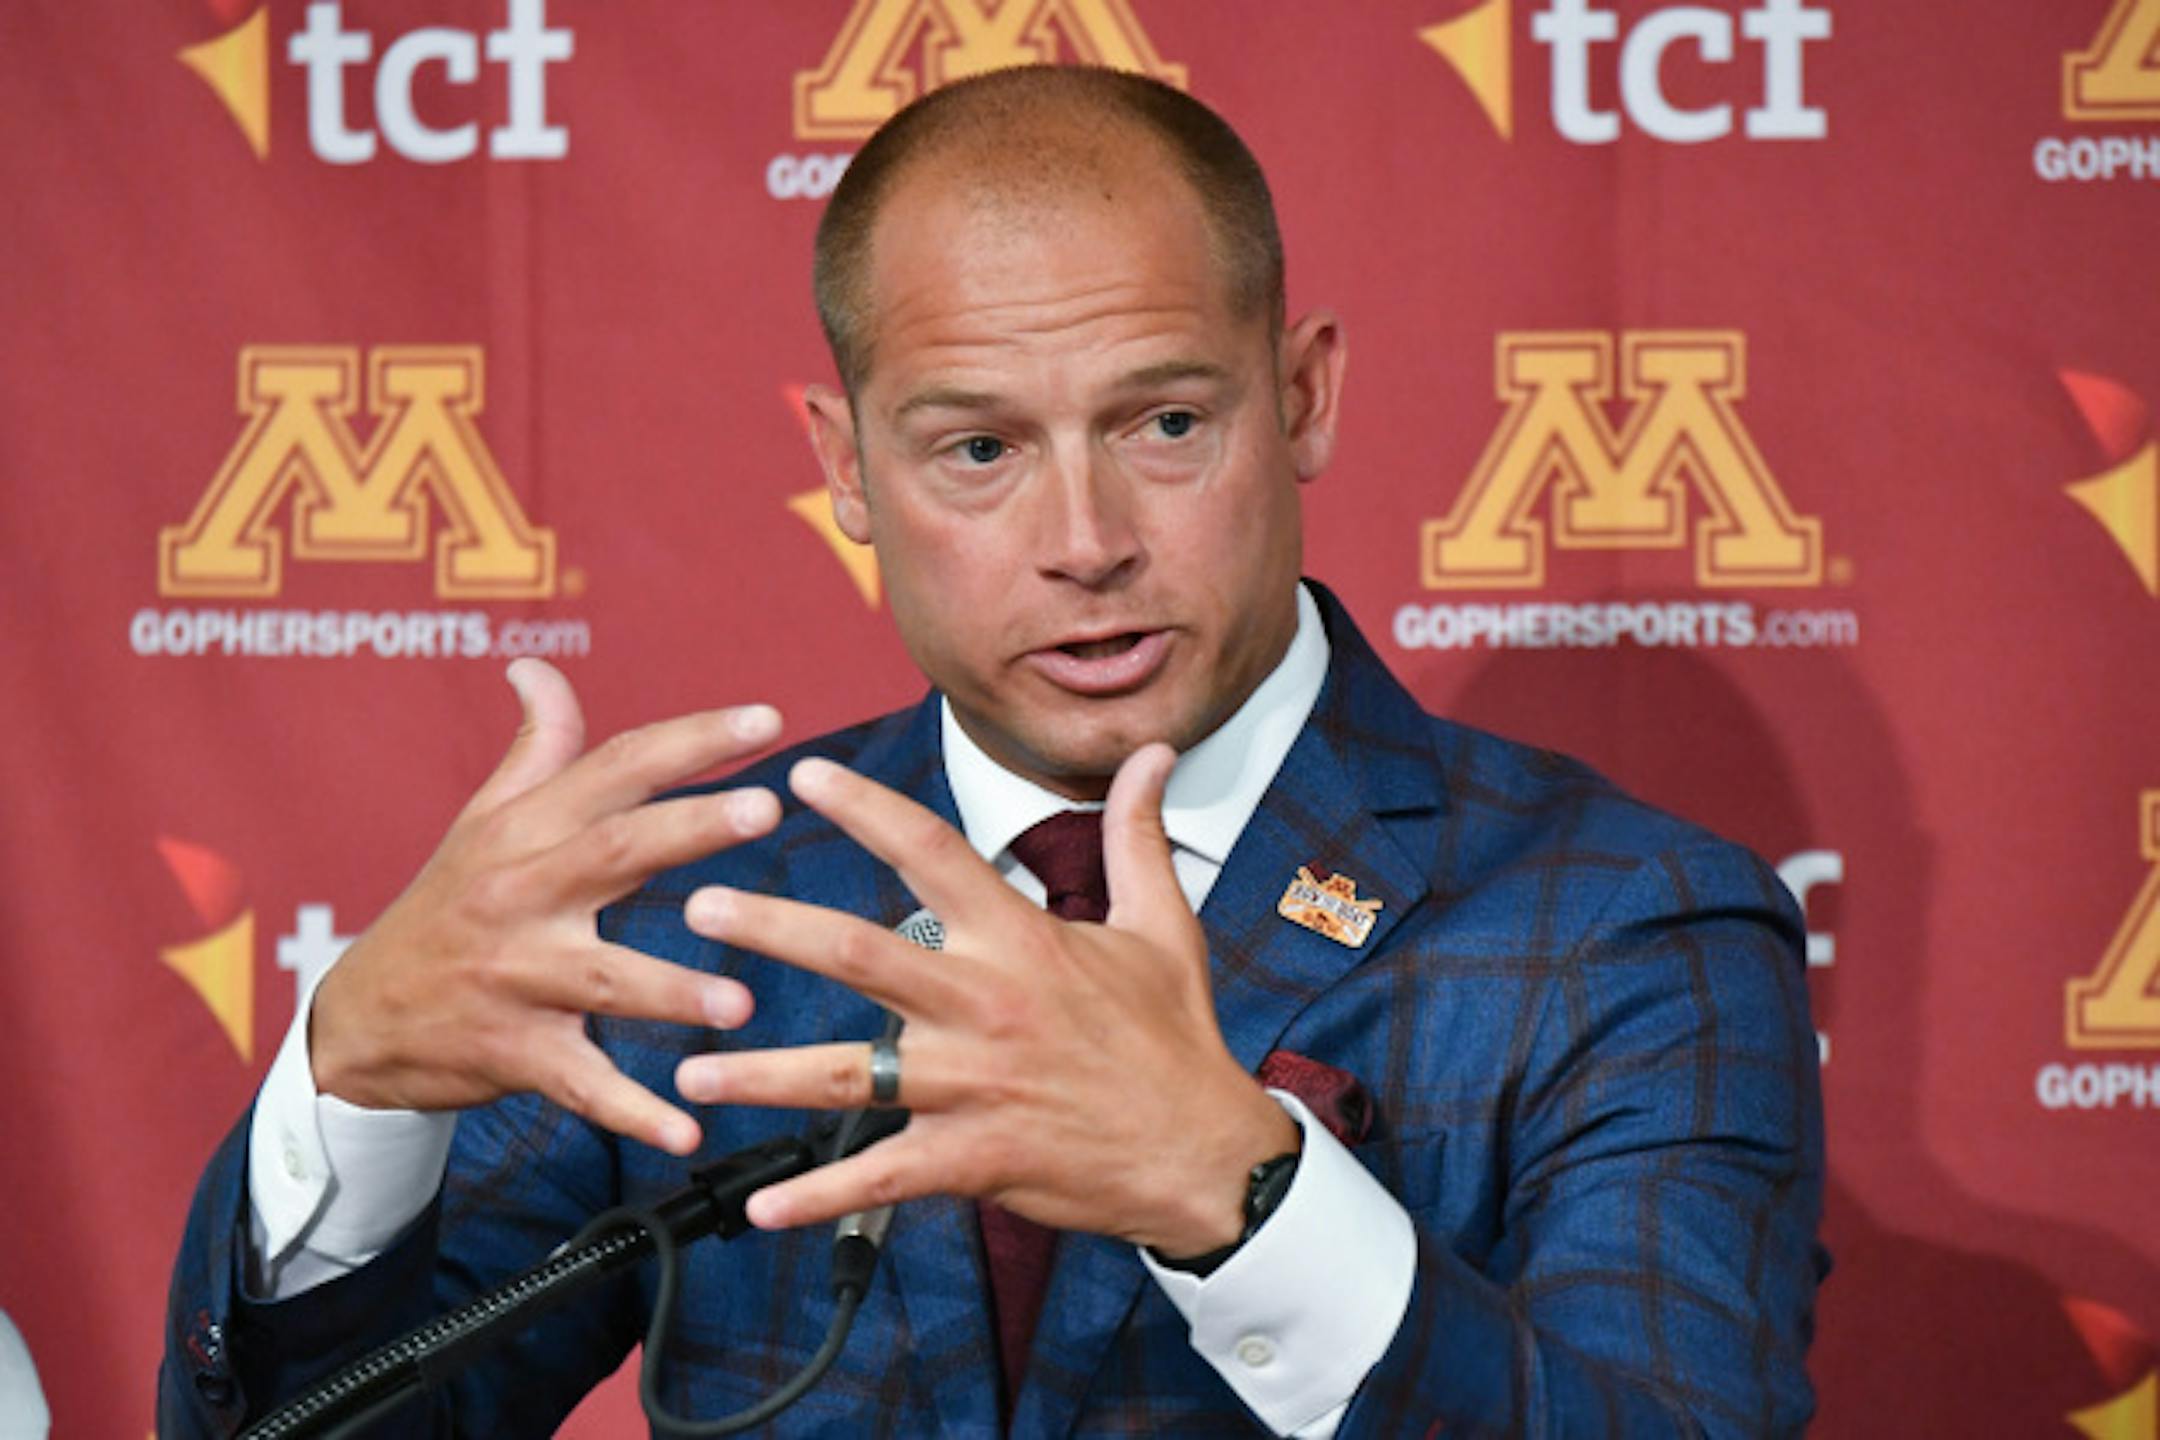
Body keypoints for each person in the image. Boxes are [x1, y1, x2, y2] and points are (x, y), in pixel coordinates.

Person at [161, 65, 1826, 1437]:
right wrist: (352, 1087)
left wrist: (1241, 1193)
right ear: (847, 468)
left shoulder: (1632, 925)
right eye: (977, 449)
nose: (1084, 538)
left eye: (1166, 423)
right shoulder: (714, 919)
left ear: (1301, 396)